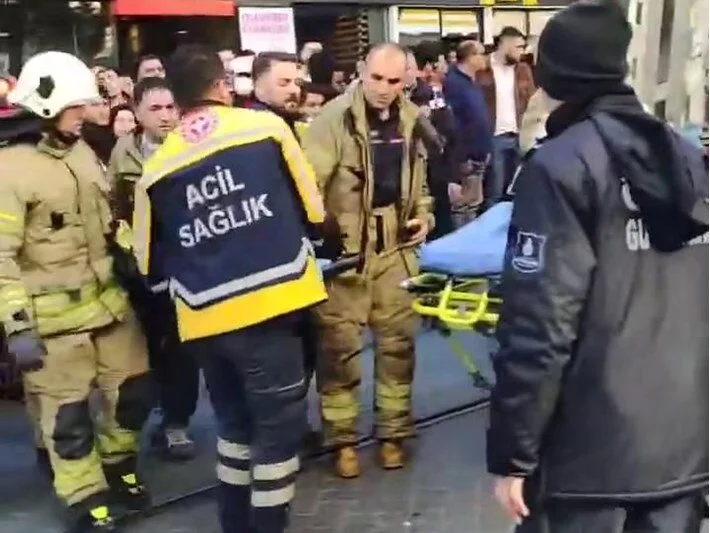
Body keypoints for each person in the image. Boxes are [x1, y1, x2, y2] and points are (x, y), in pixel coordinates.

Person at [487, 2, 709, 532]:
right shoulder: (682, 155)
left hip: (589, 457)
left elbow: (540, 324)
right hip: (681, 443)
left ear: (555, 74)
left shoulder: (560, 166)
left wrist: (513, 454)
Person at [132, 44, 337, 533]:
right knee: (277, 437)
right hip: (273, 305)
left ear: (176, 100)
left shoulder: (155, 169)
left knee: (234, 432)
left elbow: (147, 263)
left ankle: (234, 525)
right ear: (223, 85)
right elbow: (314, 212)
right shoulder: (264, 128)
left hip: (203, 320)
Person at [1, 51, 151, 533]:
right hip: (53, 323)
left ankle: (117, 463)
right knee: (66, 417)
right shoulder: (10, 170)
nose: (84, 114)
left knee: (133, 392)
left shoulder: (83, 151)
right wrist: (17, 327)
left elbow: (105, 221)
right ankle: (84, 494)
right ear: (43, 106)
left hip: (110, 305)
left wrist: (135, 258)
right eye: (74, 106)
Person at [301, 42, 433, 479]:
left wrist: (424, 216)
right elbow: (309, 189)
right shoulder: (331, 120)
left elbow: (422, 185)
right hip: (346, 256)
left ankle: (393, 435)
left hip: (395, 250)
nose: (384, 88)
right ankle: (342, 442)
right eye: (377, 78)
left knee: (398, 348)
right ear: (362, 71)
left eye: (394, 81)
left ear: (406, 80)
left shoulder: (412, 120)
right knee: (340, 353)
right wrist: (323, 236)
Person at [107, 77, 198, 461]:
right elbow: (112, 205)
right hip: (139, 266)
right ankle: (136, 422)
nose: (165, 116)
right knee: (143, 349)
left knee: (182, 349)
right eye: (155, 109)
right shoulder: (122, 154)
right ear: (138, 113)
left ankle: (177, 422)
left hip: (183, 260)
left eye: (170, 108)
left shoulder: (192, 146)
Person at [477, 26, 535, 207]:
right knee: (494, 192)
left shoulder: (523, 69)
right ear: (505, 45)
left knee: (517, 191)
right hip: (494, 138)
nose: (522, 51)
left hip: (519, 136)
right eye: (518, 47)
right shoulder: (483, 68)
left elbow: (532, 100)